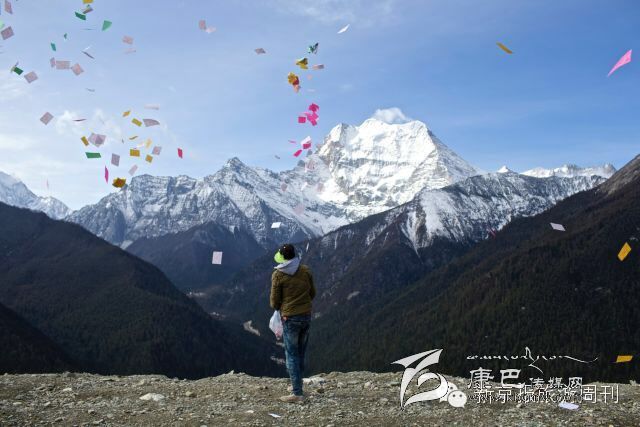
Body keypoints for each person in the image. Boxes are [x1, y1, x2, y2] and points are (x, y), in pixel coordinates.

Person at [270, 243, 316, 403]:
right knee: (301, 352)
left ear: (282, 258)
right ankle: (298, 385)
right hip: (306, 315)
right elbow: (312, 293)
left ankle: (297, 393)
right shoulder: (305, 270)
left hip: (290, 318)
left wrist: (284, 306)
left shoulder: (278, 275)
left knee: (291, 355)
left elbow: (274, 302)